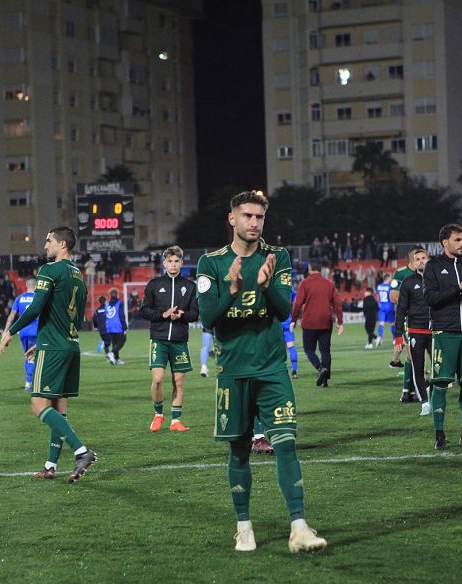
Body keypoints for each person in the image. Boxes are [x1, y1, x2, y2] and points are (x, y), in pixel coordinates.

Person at [196, 190, 325, 553]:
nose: (254, 223)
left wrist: (266, 287)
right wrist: (233, 291)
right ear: (232, 219)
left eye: (260, 217)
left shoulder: (277, 257)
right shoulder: (211, 263)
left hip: (272, 370)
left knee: (286, 444)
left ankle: (299, 527)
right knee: (238, 452)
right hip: (233, 372)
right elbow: (208, 318)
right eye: (248, 216)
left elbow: (284, 311)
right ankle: (244, 527)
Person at [0, 227, 97, 482]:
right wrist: (42, 340)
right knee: (58, 409)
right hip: (70, 346)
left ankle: (82, 451)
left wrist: (10, 331)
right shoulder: (78, 275)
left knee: (39, 406)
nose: (45, 246)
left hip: (53, 348)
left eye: (48, 241)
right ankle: (50, 466)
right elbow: (75, 314)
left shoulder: (50, 270)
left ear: (62, 244)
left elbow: (35, 308)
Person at [422, 224, 462, 450]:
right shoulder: (433, 266)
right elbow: (430, 298)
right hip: (444, 333)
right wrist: (458, 290)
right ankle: (440, 438)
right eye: (458, 240)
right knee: (440, 384)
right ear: (445, 243)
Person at [139, 245, 199, 432]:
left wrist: (181, 314)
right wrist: (163, 314)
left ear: (181, 263)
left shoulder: (190, 286)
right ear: (164, 263)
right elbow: (144, 311)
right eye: (170, 261)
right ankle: (158, 414)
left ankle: (176, 420)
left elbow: (195, 314)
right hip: (159, 338)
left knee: (179, 382)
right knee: (157, 379)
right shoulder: (154, 285)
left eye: (176, 261)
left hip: (180, 340)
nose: (173, 265)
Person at [291, 261, 343, 387]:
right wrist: (340, 322)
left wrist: (293, 319)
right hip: (326, 322)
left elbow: (297, 303)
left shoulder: (305, 283)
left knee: (309, 350)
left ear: (309, 268)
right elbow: (337, 304)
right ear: (320, 269)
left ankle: (320, 369)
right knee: (325, 351)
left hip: (310, 322)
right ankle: (325, 380)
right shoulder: (329, 284)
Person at [395, 247, 432, 415]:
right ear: (413, 263)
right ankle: (425, 402)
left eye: (424, 258)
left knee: (440, 368)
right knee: (418, 367)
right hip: (416, 331)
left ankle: (432, 392)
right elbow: (401, 309)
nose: (421, 261)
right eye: (417, 259)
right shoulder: (408, 283)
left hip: (436, 332)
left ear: (428, 259)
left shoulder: (438, 281)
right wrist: (397, 336)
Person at [388, 248, 421, 369]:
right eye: (419, 259)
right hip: (406, 314)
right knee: (410, 342)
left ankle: (395, 361)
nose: (423, 261)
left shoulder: (423, 274)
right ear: (413, 259)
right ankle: (419, 371)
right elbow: (393, 297)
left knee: (410, 341)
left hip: (420, 315)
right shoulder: (400, 273)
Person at [4, 277, 39, 391]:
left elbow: (11, 316)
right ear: (37, 286)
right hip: (35, 330)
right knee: (33, 357)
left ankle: (31, 381)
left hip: (23, 332)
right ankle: (29, 383)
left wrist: (6, 332)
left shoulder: (19, 298)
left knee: (29, 356)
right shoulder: (39, 298)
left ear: (26, 285)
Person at [103, 288, 127, 365]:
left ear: (110, 295)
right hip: (117, 325)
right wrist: (125, 327)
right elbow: (121, 315)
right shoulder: (119, 303)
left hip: (109, 326)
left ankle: (116, 359)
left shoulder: (106, 304)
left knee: (114, 342)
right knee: (122, 340)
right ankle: (112, 353)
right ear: (117, 294)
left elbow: (106, 316)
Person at [375, 273, 393, 347]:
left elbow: (378, 297)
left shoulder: (379, 287)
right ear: (388, 278)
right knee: (392, 323)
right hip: (389, 306)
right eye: (390, 278)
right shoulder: (390, 287)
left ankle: (379, 337)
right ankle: (394, 340)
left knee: (381, 323)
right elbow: (391, 297)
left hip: (382, 306)